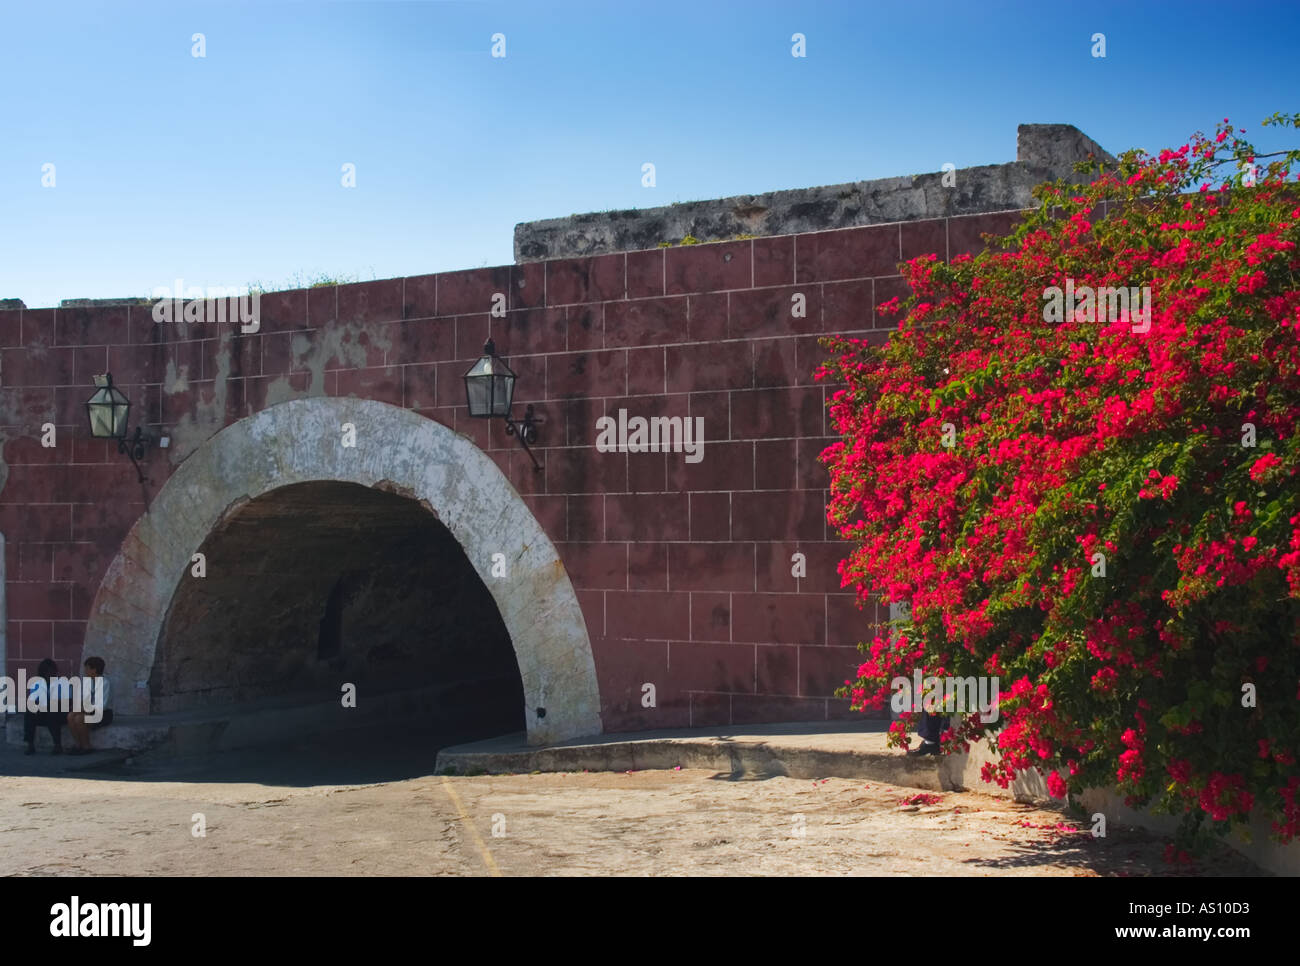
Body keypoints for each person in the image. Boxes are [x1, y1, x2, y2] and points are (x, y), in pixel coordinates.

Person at [66, 656, 113, 755]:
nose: (85, 671)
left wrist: (84, 709)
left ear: (94, 670)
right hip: (88, 710)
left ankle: (87, 746)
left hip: (103, 714)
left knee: (79, 719)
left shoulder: (105, 683)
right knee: (70, 716)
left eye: (87, 668)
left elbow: (101, 706)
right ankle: (78, 745)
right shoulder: (87, 682)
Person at [23, 658, 66, 755]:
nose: (49, 674)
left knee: (52, 712)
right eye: (46, 672)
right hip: (43, 713)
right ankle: (30, 744)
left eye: (52, 672)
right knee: (30, 713)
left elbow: (66, 702)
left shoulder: (62, 683)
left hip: (59, 714)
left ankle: (57, 745)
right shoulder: (37, 684)